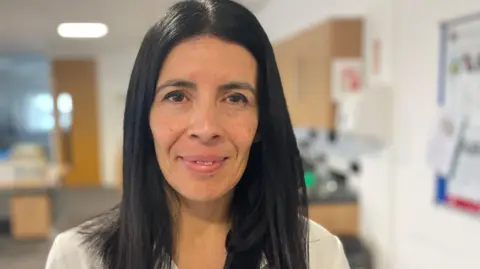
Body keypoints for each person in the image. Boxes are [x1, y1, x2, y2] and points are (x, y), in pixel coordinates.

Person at [45, 0, 350, 268]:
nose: (206, 129)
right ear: (144, 117)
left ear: (262, 123)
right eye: (177, 96)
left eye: (235, 98)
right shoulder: (79, 258)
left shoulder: (317, 255)